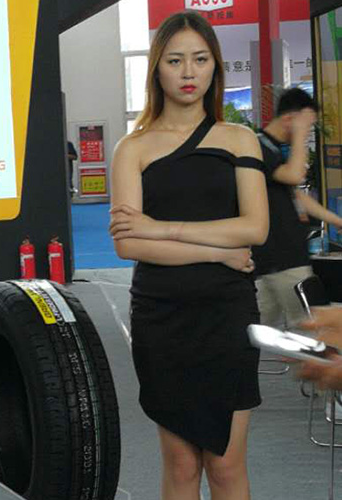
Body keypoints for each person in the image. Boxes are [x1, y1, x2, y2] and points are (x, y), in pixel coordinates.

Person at [109, 11, 267, 499]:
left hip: (226, 315)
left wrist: (162, 228)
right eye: (175, 60)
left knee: (226, 463)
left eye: (200, 59)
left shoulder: (239, 139)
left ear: (215, 66)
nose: (188, 72)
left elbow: (255, 228)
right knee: (180, 464)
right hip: (162, 317)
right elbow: (129, 244)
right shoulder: (132, 148)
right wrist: (217, 253)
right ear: (156, 68)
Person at [253, 88, 342, 330]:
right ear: (289, 118)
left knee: (268, 331)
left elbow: (297, 195)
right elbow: (294, 176)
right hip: (280, 259)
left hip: (284, 258)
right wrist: (301, 133)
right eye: (308, 125)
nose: (309, 131)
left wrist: (336, 220)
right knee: (313, 331)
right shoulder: (258, 147)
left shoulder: (275, 149)